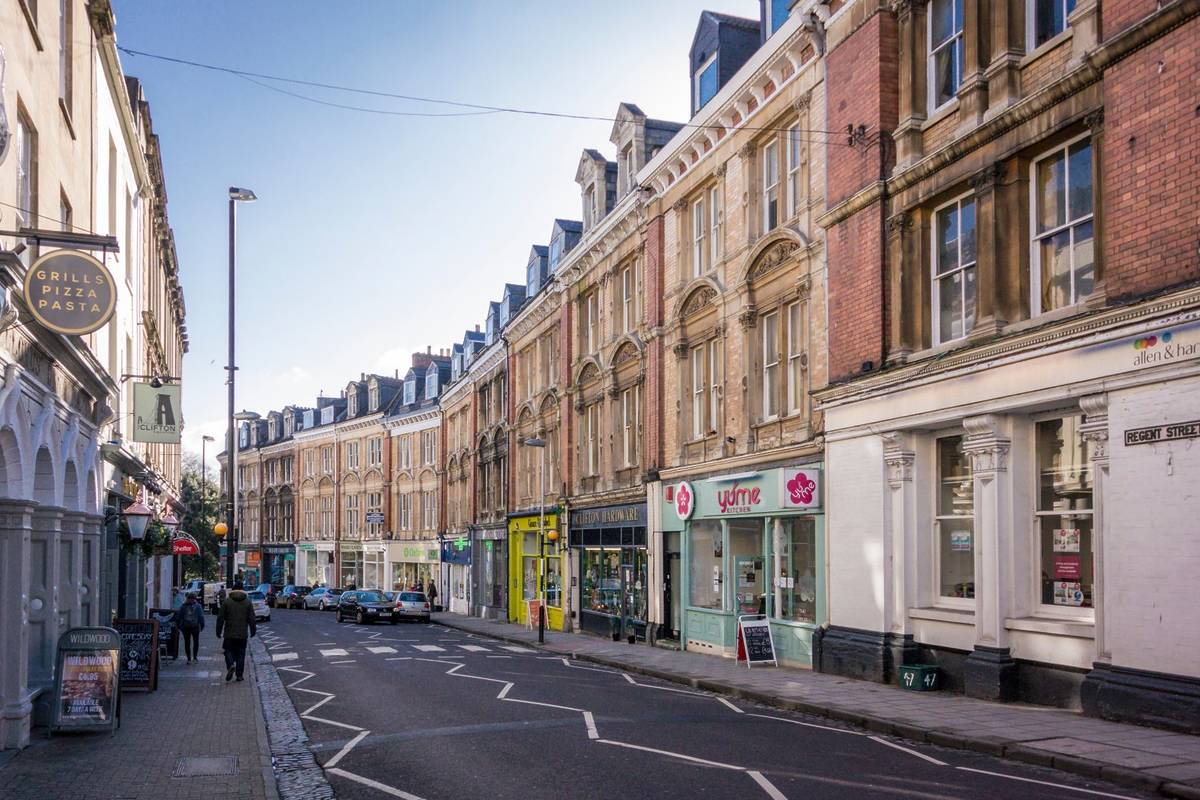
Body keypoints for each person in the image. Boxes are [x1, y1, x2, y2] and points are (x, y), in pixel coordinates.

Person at [215, 580, 256, 682]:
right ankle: (239, 675)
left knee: (228, 651)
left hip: (229, 633)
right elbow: (252, 618)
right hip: (242, 634)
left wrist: (218, 631)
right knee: (241, 654)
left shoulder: (227, 601)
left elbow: (220, 618)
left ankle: (230, 665)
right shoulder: (247, 602)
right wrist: (253, 630)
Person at [177, 592, 205, 663]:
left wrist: (179, 626)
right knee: (196, 642)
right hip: (195, 627)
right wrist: (202, 626)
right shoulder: (198, 606)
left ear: (187, 598)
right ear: (195, 599)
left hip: (185, 627)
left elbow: (179, 617)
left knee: (187, 642)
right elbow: (201, 617)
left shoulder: (183, 606)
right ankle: (195, 657)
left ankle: (189, 658)